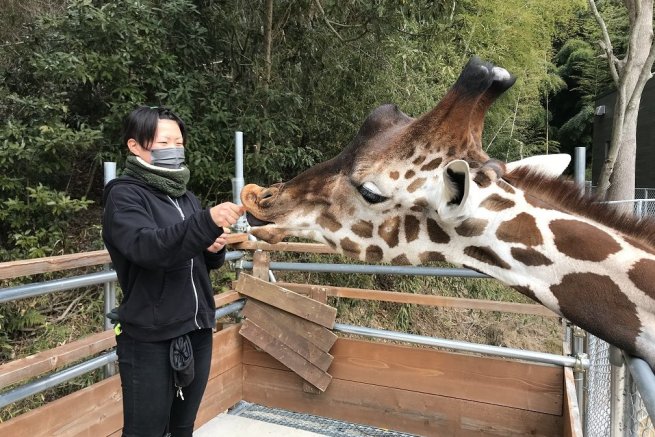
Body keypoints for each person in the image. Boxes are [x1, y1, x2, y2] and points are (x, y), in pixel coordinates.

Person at [102, 106, 244, 437]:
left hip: (196, 329)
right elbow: (148, 248)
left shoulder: (186, 196)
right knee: (146, 431)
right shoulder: (124, 196)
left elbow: (202, 261)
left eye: (178, 141)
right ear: (135, 145)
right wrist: (206, 222)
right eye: (164, 140)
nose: (174, 148)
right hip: (150, 338)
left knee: (182, 427)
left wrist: (214, 247)